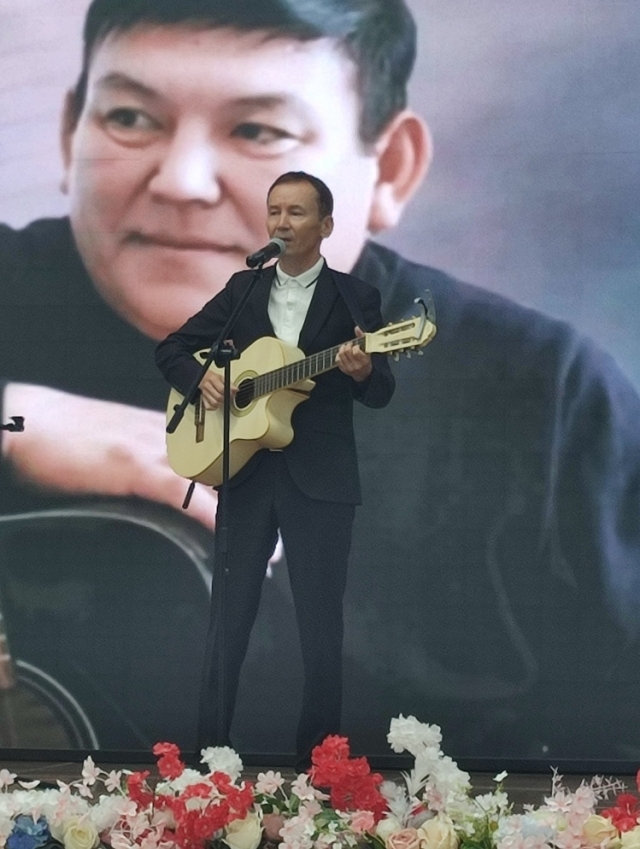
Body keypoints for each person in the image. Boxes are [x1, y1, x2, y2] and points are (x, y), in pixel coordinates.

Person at [0, 0, 639, 760]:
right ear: (69, 130)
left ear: (389, 169)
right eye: (130, 118)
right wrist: (15, 418)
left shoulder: (541, 399)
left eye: (257, 131)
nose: (181, 181)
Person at [155, 170, 394, 768]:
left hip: (321, 477)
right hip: (247, 474)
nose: (282, 223)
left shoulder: (354, 296)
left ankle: (320, 767)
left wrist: (365, 370)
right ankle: (211, 759)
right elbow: (172, 349)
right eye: (275, 211)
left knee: (320, 624)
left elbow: (381, 391)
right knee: (227, 618)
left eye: (296, 212)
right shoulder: (244, 289)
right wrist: (202, 380)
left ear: (326, 225)